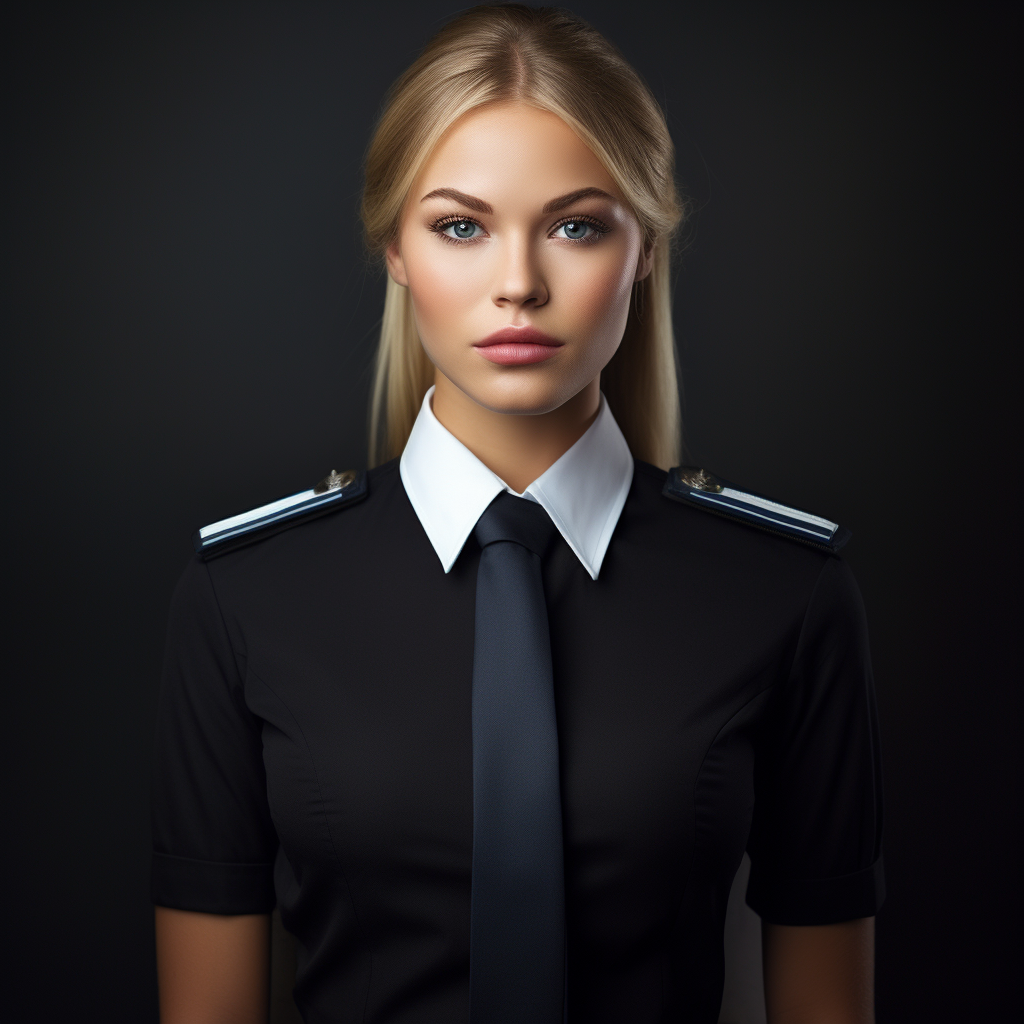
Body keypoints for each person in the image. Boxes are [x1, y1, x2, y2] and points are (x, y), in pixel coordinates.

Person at [151, 6, 884, 1023]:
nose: (518, 285)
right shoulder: (243, 598)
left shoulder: (785, 593)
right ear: (394, 250)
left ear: (644, 250)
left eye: (576, 226)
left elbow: (827, 997)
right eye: (461, 226)